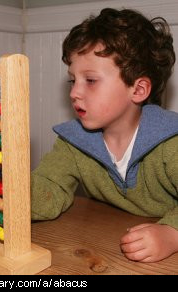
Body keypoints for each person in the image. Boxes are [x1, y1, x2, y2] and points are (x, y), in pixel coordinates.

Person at [30, 8, 178, 263]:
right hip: (105, 243)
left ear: (139, 89)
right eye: (72, 81)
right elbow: (49, 195)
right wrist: (10, 178)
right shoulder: (72, 142)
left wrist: (173, 234)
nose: (74, 92)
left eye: (90, 80)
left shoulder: (170, 142)